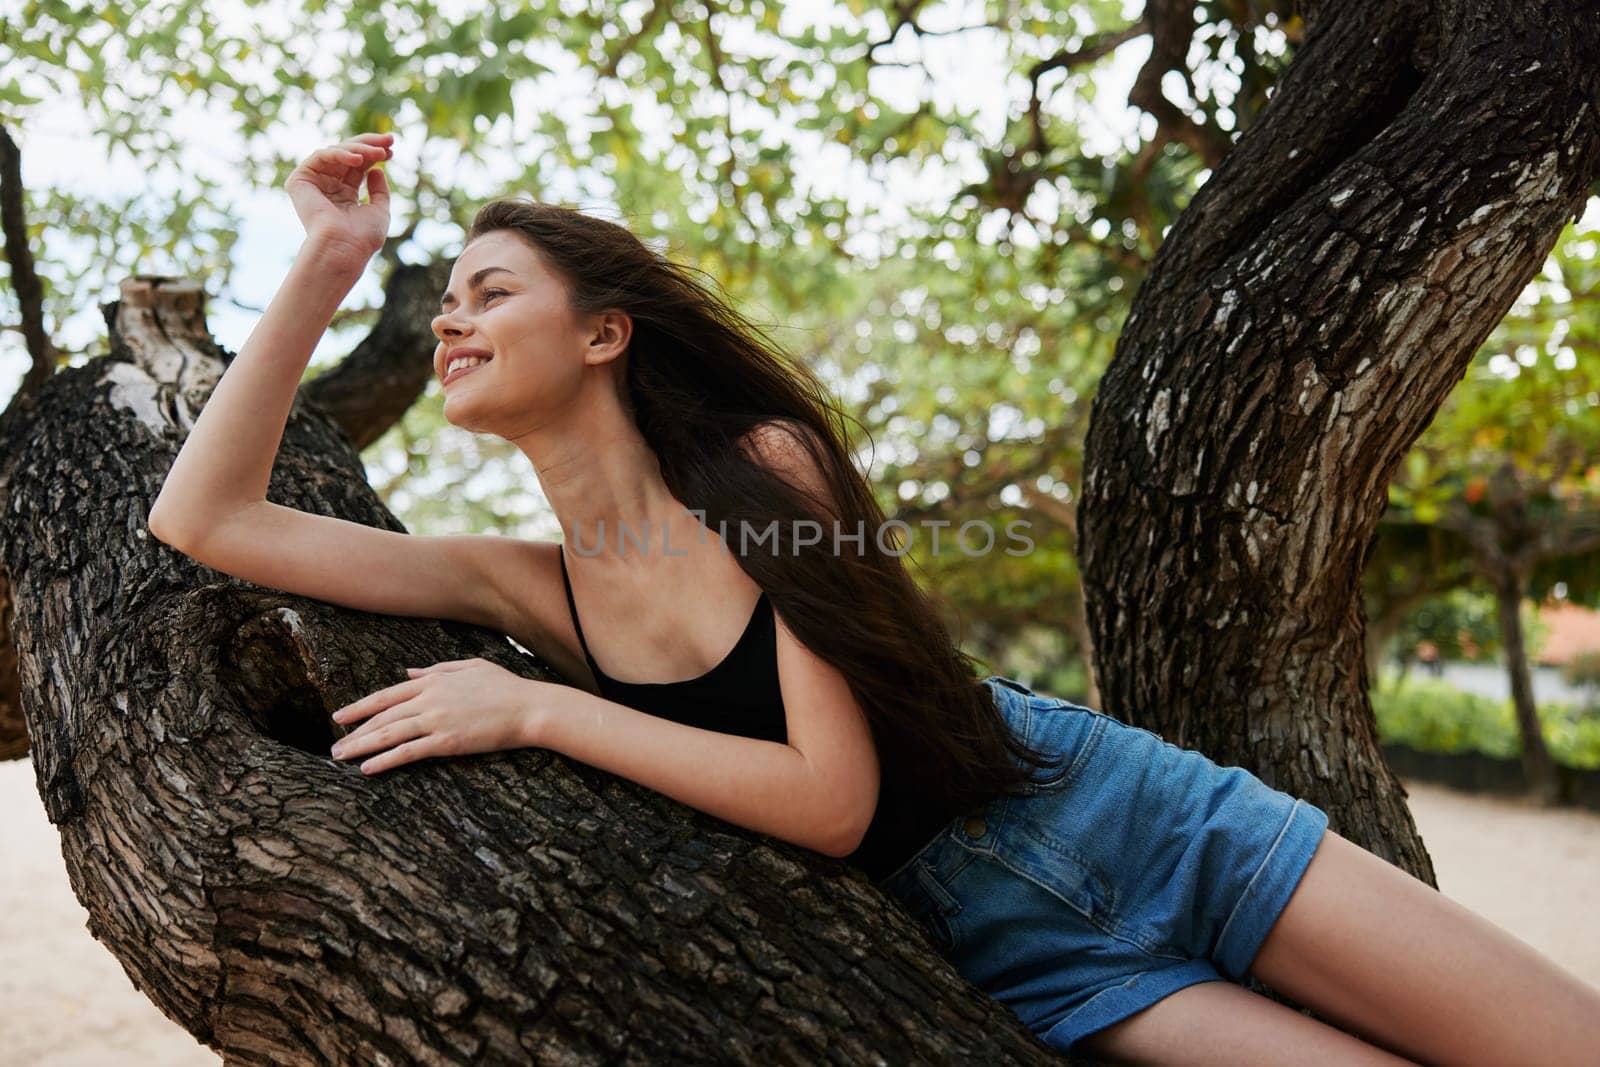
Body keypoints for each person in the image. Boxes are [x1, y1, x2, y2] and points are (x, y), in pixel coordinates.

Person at [147, 133, 1600, 1065]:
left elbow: (829, 793)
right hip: (1003, 942)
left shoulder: (762, 469)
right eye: (442, 297)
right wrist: (327, 263)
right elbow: (201, 518)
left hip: (1110, 810)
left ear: (603, 331)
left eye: (486, 291)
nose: (450, 318)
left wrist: (539, 709)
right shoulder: (524, 583)